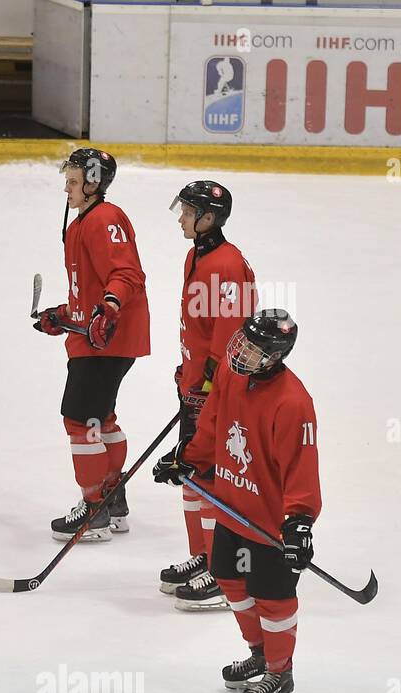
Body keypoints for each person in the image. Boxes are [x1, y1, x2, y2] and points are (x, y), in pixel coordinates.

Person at [154, 309, 319, 693]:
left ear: (275, 356)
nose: (240, 350)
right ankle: (260, 654)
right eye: (242, 340)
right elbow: (212, 424)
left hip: (267, 526)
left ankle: (281, 676)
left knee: (273, 597)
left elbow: (302, 467)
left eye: (253, 347)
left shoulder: (293, 402)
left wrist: (299, 523)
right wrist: (187, 459)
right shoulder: (231, 374)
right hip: (231, 510)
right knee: (229, 580)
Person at [32, 148, 150, 541]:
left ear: (93, 183)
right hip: (99, 337)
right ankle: (113, 501)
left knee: (80, 421)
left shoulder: (105, 219)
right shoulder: (83, 222)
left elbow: (127, 274)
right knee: (102, 419)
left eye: (73, 181)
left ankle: (93, 509)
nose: (66, 188)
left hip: (109, 340)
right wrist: (64, 316)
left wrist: (110, 308)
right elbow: (90, 293)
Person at [159, 181, 257, 610]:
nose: (180, 217)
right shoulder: (195, 254)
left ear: (209, 218)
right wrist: (188, 373)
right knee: (191, 473)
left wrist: (208, 387)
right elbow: (197, 325)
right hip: (196, 388)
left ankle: (223, 572)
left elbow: (231, 333)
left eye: (187, 211)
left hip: (216, 396)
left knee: (212, 481)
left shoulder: (228, 263)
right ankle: (203, 557)